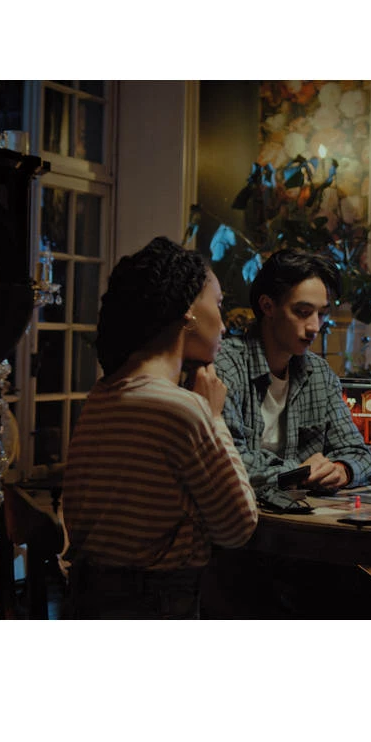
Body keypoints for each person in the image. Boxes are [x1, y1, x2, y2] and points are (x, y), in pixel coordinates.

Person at [61, 236, 259, 619]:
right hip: (157, 605)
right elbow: (239, 527)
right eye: (218, 303)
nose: (224, 323)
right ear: (188, 311)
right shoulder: (182, 409)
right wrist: (214, 416)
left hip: (90, 601)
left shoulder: (102, 396)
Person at [206, 248, 371, 617]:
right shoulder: (226, 366)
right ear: (268, 306)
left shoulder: (318, 373)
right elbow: (229, 463)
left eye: (322, 313)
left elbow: (359, 455)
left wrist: (342, 470)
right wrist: (302, 472)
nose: (315, 326)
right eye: (303, 312)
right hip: (238, 549)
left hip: (303, 548)